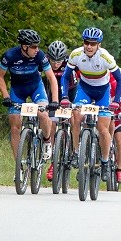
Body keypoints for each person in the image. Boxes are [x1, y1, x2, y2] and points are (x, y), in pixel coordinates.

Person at [59, 27, 121, 182]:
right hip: (84, 90)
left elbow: (120, 80)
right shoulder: (76, 54)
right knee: (76, 115)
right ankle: (76, 152)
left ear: (98, 45)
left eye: (93, 44)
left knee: (103, 129)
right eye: (86, 43)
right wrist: (64, 96)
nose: (89, 46)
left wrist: (115, 101)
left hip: (103, 92)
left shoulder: (106, 57)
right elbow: (65, 76)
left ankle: (104, 161)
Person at [0, 29, 59, 169]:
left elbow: (51, 78)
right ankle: (18, 165)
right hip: (17, 90)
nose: (37, 49)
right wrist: (5, 96)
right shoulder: (10, 56)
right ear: (24, 46)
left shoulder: (40, 56)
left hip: (36, 88)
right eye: (34, 46)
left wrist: (54, 100)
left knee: (43, 114)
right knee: (14, 127)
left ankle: (47, 141)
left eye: (38, 46)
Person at [44, 40, 78, 182]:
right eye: (53, 60)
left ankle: (75, 149)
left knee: (74, 118)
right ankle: (53, 158)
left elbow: (78, 85)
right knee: (51, 122)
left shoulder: (70, 64)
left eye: (58, 61)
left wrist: (72, 104)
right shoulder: (44, 63)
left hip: (70, 93)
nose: (56, 64)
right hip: (52, 93)